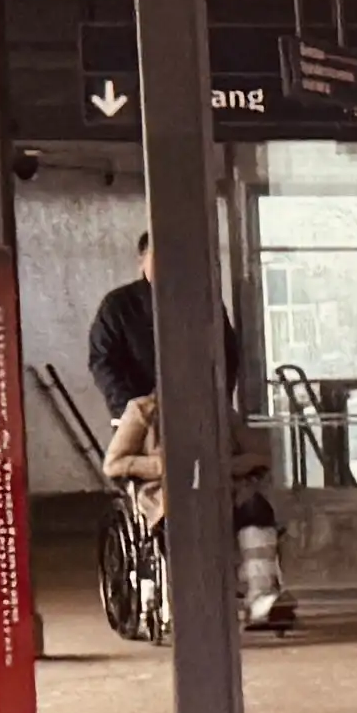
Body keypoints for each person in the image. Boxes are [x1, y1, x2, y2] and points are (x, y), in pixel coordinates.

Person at [89, 229, 294, 633]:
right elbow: (104, 361)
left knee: (254, 508)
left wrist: (215, 401)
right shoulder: (119, 306)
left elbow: (227, 352)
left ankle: (261, 596)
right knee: (174, 515)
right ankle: (181, 598)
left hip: (205, 424)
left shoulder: (203, 302)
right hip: (146, 418)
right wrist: (135, 406)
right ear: (142, 261)